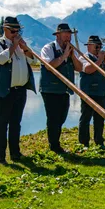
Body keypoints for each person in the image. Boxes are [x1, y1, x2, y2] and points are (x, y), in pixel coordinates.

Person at [0, 17, 36, 164]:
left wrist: (25, 48)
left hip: (20, 90)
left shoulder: (21, 45)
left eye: (18, 30)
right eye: (13, 30)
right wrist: (13, 46)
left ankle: (15, 154)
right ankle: (1, 156)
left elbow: (33, 61)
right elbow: (1, 59)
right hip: (5, 90)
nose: (16, 33)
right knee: (2, 123)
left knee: (16, 122)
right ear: (5, 29)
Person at [40, 23, 82, 153]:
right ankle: (54, 146)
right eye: (65, 35)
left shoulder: (69, 50)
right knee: (53, 118)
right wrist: (64, 56)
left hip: (64, 89)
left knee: (62, 117)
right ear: (58, 35)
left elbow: (79, 68)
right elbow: (49, 66)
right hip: (50, 89)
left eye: (69, 35)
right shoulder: (48, 48)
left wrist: (72, 56)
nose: (68, 38)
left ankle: (55, 143)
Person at [78, 36, 105, 150]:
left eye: (100, 46)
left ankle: (99, 141)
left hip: (101, 92)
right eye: (96, 46)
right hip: (88, 92)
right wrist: (100, 60)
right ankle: (84, 143)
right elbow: (89, 70)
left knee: (100, 119)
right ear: (89, 46)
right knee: (86, 118)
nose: (98, 48)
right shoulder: (83, 57)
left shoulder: (103, 58)